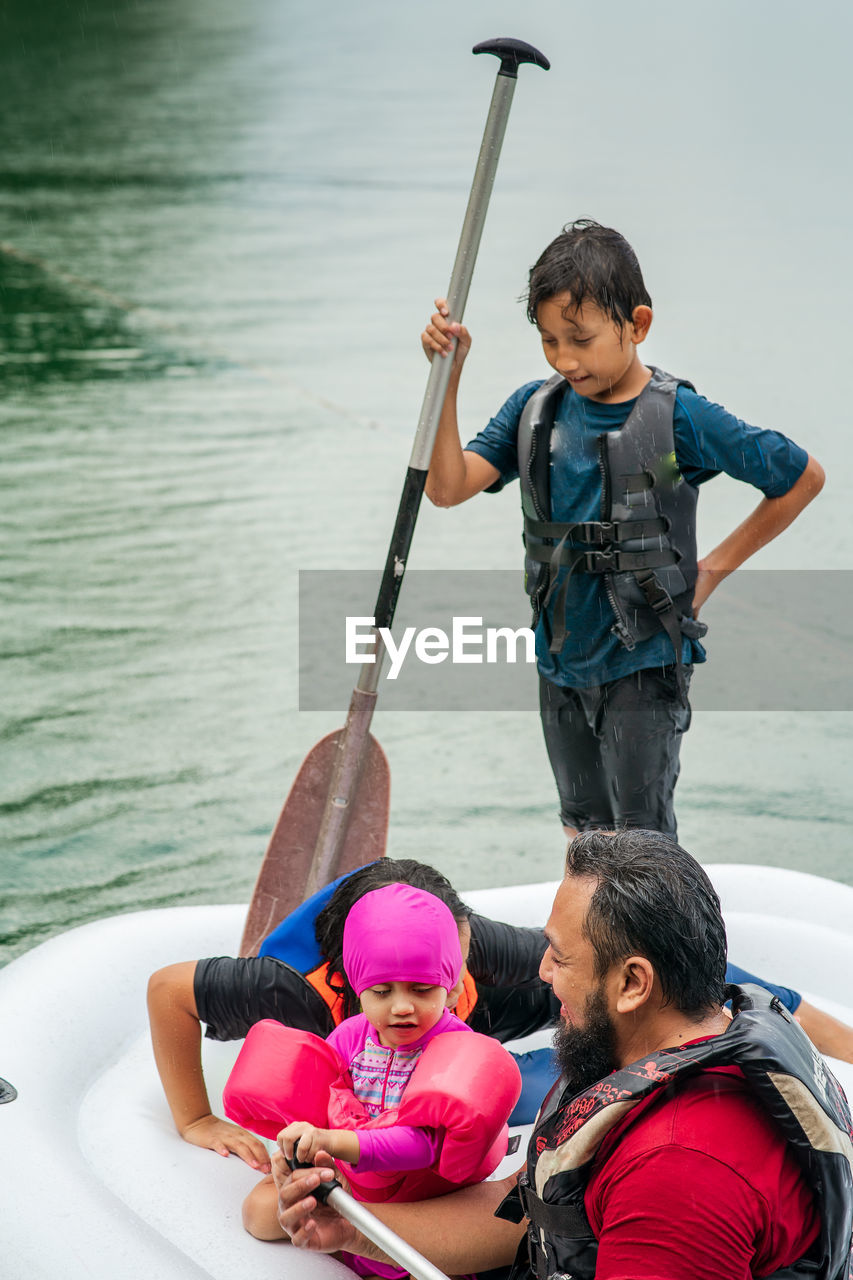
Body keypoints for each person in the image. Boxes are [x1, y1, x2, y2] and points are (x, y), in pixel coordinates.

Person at [274, 831, 853, 1280]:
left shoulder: (678, 1173)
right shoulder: (662, 1047)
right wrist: (352, 1227)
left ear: (632, 984)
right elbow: (530, 1210)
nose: (543, 972)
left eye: (559, 956)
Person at [421, 219, 825, 839]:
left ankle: (659, 937)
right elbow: (446, 487)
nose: (565, 359)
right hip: (558, 661)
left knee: (640, 841)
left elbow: (801, 477)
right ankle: (589, 937)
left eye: (579, 339)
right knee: (583, 834)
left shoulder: (680, 418)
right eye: (550, 341)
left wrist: (708, 574)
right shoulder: (535, 410)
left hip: (644, 664)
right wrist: (444, 381)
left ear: (637, 325)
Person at [147, 857, 853, 1175]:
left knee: (633, 973)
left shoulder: (463, 956)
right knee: (502, 1092)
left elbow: (462, 975)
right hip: (380, 1053)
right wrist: (195, 1118)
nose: (442, 990)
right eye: (405, 982)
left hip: (464, 1005)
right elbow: (166, 989)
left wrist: (449, 982)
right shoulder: (289, 994)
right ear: (352, 981)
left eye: (444, 969)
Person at [226, 883, 520, 1265]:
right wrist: (299, 1150)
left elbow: (422, 1146)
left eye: (421, 989)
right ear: (358, 987)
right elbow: (321, 1097)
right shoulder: (351, 1036)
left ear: (450, 989)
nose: (401, 1007)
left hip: (424, 1200)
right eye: (382, 991)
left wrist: (333, 1141)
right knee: (259, 1214)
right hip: (355, 1180)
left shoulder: (457, 1049)